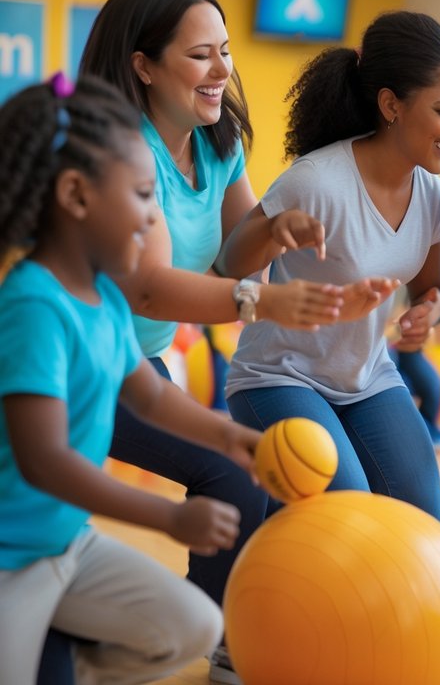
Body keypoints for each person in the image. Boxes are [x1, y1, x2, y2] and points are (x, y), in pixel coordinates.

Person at [76, 0, 383, 685]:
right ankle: (180, 635)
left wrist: (277, 229)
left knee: (235, 473)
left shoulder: (216, 145)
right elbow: (148, 288)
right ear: (143, 66)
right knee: (208, 478)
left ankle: (212, 637)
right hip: (81, 362)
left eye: (225, 51)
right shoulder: (123, 151)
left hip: (135, 364)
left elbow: (235, 244)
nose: (221, 71)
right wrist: (262, 301)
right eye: (199, 56)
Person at [0, 75, 261, 685]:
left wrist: (230, 438)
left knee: (195, 626)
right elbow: (46, 463)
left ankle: (60, 658)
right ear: (76, 195)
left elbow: (147, 394)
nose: (155, 217)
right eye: (145, 195)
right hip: (11, 559)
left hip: (68, 546)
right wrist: (168, 520)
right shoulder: (34, 305)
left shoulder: (105, 298)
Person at [220, 10, 440, 523]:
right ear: (390, 105)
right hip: (279, 378)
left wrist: (427, 312)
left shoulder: (432, 195)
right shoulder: (315, 182)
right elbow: (229, 265)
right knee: (346, 513)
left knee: (423, 517)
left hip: (367, 378)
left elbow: (430, 289)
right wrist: (272, 230)